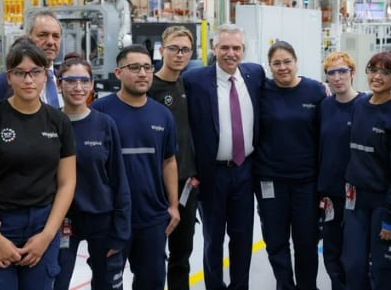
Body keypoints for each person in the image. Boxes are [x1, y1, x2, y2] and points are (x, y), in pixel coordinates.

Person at [0, 41, 76, 290]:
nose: (28, 79)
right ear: (8, 77)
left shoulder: (58, 121)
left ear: (46, 76)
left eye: (35, 72)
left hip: (42, 224)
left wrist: (47, 235)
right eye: (19, 73)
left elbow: (67, 182)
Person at [183, 24, 265, 290]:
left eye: (237, 48)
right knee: (213, 238)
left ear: (243, 51)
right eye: (225, 47)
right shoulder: (195, 81)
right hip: (212, 174)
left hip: (244, 171)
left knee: (242, 237)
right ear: (214, 48)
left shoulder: (255, 74)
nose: (231, 53)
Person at [91, 44, 179, 290]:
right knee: (107, 283)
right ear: (118, 73)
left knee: (152, 282)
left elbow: (169, 161)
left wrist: (172, 206)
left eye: (148, 67)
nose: (142, 73)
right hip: (111, 219)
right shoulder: (100, 112)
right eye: (134, 67)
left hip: (151, 218)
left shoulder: (162, 115)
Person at [53, 53, 131, 290]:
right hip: (61, 220)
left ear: (92, 84)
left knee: (107, 282)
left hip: (101, 219)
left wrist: (120, 230)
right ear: (59, 83)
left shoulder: (104, 124)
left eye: (84, 81)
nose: (78, 87)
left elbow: (118, 178)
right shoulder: (50, 123)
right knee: (57, 280)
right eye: (71, 81)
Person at [254, 40, 326, 290]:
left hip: (306, 181)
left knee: (306, 242)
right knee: (275, 241)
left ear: (296, 62)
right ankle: (284, 285)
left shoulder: (315, 91)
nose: (282, 67)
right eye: (276, 63)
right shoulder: (262, 90)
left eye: (287, 62)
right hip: (269, 181)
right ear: (269, 66)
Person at [342, 51, 391, 290]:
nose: (377, 76)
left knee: (382, 270)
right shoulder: (359, 105)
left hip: (383, 204)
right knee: (353, 265)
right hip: (355, 202)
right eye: (373, 69)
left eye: (386, 72)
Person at [148, 26, 197, 290]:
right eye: (174, 48)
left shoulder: (187, 84)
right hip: (154, 186)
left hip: (186, 185)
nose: (179, 55)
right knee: (153, 256)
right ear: (162, 50)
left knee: (182, 255)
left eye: (185, 50)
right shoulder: (149, 87)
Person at [318, 52, 364, 290]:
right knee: (332, 255)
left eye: (342, 71)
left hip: (358, 196)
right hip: (330, 195)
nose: (337, 77)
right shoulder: (324, 106)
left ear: (352, 73)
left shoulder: (366, 105)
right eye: (331, 73)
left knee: (354, 258)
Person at [0, 10, 63, 107]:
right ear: (28, 37)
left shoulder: (64, 81)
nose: (50, 42)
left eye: (56, 36)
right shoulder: (1, 84)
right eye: (43, 35)